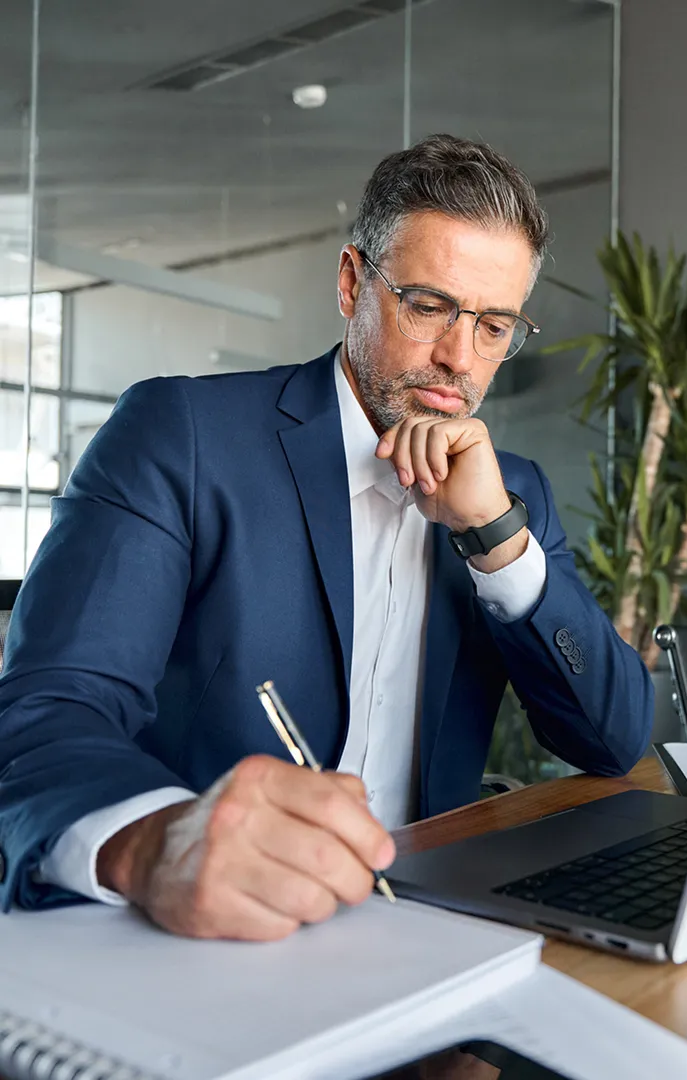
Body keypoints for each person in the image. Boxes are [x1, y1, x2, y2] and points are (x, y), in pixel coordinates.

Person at [0, 135, 653, 940]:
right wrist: (156, 843)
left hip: (422, 929)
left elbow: (613, 738)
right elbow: (46, 713)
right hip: (208, 935)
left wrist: (497, 541)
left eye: (494, 326)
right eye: (429, 306)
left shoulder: (512, 491)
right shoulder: (182, 435)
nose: (458, 358)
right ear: (352, 283)